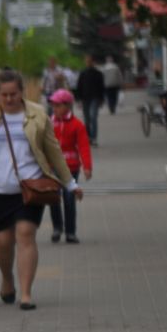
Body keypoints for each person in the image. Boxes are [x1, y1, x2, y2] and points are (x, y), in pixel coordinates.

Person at [0, 68, 79, 310]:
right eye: (4, 95)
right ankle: (7, 278)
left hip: (30, 188)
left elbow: (53, 151)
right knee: (2, 241)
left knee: (25, 234)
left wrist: (70, 183)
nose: (9, 99)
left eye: (14, 94)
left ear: (22, 91)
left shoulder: (38, 114)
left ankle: (26, 293)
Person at [48, 90, 92, 244]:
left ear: (68, 106)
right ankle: (57, 228)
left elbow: (84, 146)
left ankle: (70, 232)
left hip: (71, 168)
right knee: (53, 198)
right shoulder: (49, 123)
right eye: (53, 105)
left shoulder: (77, 125)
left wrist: (87, 166)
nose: (55, 109)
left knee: (69, 198)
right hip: (52, 167)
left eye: (58, 105)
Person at [73, 59, 106, 142]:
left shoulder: (98, 73)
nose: (89, 63)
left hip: (95, 98)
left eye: (90, 61)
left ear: (93, 63)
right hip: (85, 98)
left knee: (93, 117)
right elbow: (79, 86)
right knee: (87, 119)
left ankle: (94, 137)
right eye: (87, 61)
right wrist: (78, 98)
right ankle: (89, 136)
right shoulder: (83, 73)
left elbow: (101, 87)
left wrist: (101, 99)